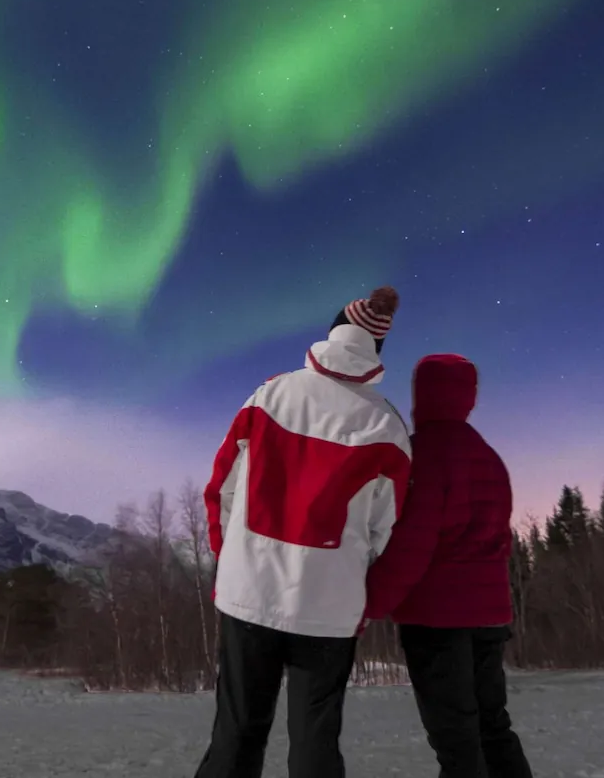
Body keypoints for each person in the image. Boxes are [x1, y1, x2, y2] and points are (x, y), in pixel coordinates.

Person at [194, 286, 412, 778]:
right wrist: (351, 575)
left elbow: (222, 487)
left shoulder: (271, 393)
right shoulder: (387, 424)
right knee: (316, 742)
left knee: (236, 733)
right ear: (375, 351)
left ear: (332, 332)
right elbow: (386, 526)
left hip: (249, 591)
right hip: (328, 609)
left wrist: (230, 558)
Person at [364, 353, 533, 778]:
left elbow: (411, 546)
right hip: (490, 619)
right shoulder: (488, 456)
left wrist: (366, 604)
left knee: (457, 742)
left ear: (423, 395)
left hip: (439, 622)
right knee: (492, 728)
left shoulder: (422, 455)